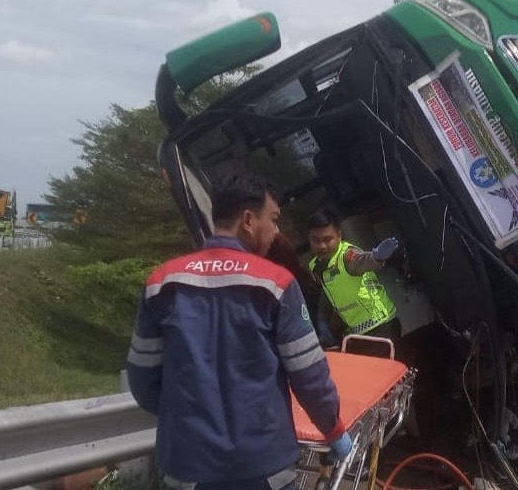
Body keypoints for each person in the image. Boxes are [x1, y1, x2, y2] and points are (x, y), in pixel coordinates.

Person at [127, 173, 352, 490]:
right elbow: (309, 377)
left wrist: (186, 419)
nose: (276, 232)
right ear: (248, 220)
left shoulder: (161, 283)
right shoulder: (276, 284)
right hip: (262, 467)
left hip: (188, 467)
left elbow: (142, 379)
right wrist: (334, 431)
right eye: (273, 220)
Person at [306, 208, 400, 347]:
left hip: (381, 325)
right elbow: (328, 291)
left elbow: (362, 261)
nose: (322, 246)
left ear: (339, 235)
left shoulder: (347, 256)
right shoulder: (316, 265)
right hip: (360, 331)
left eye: (327, 239)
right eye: (315, 240)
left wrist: (377, 257)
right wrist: (322, 319)